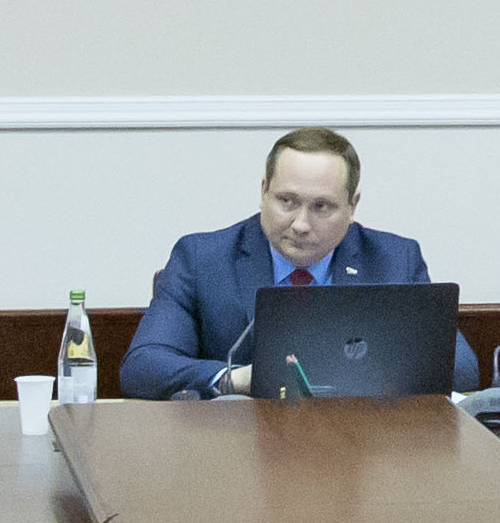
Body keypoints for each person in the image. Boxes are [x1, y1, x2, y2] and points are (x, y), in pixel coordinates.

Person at [128, 125, 475, 396]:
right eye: (287, 201)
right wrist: (239, 378)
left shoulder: (394, 260)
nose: (301, 224)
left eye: (321, 206)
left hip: (359, 446)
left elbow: (461, 369)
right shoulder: (203, 259)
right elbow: (143, 366)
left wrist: (363, 375)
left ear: (352, 206)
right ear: (264, 191)